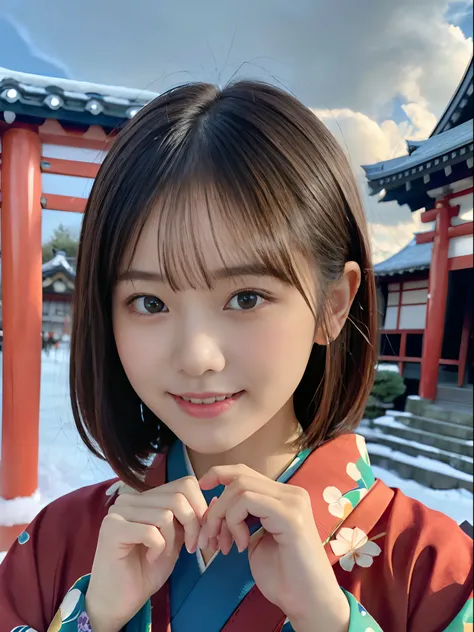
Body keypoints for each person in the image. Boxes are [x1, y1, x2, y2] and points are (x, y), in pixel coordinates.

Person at [0, 81, 472, 632]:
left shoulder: (436, 571)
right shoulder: (58, 540)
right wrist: (94, 619)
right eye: (149, 302)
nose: (197, 356)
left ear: (333, 304)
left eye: (246, 298)